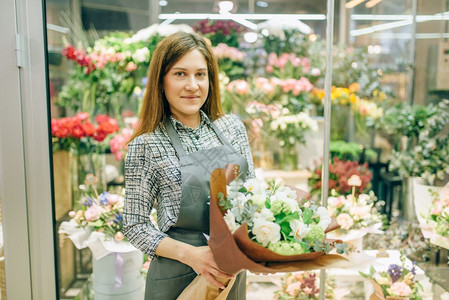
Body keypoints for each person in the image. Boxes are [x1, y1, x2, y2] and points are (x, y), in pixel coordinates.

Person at [123, 31, 255, 300]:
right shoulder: (147, 144)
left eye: (200, 74)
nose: (192, 85)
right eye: (180, 74)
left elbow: (252, 196)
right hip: (178, 275)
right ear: (161, 81)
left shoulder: (232, 129)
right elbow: (134, 225)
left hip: (230, 272)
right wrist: (194, 256)